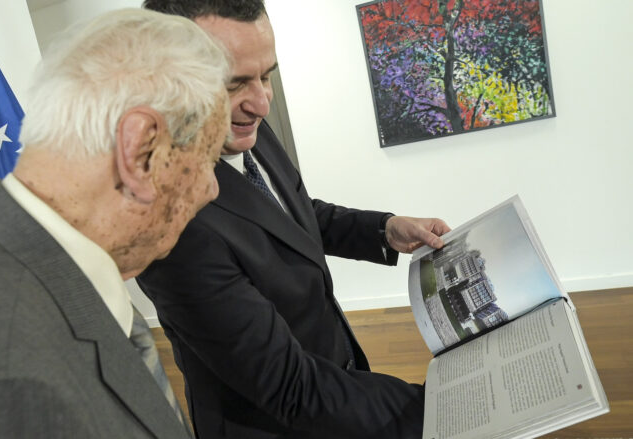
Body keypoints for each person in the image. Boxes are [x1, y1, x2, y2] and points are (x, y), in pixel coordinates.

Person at [0, 9, 230, 439]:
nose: (211, 189)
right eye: (209, 159)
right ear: (143, 152)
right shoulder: (9, 378)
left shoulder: (18, 268)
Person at [136, 1, 452, 438]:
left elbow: (291, 215)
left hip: (337, 389)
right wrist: (443, 403)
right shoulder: (170, 221)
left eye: (266, 75)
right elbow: (289, 386)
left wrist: (382, 228)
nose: (262, 103)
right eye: (233, 85)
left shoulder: (245, 127)